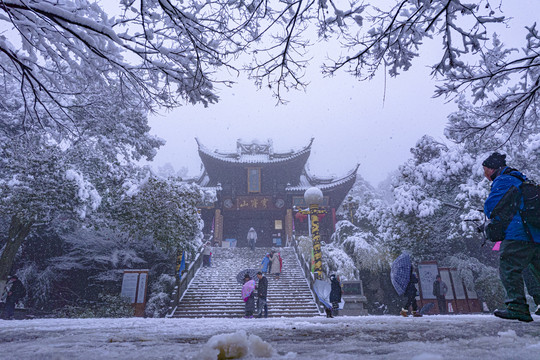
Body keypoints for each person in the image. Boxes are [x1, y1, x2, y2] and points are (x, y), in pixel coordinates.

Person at [482, 152, 540, 322]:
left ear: (492, 168)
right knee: (535, 270)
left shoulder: (504, 180)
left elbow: (491, 207)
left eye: (485, 170)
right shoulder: (522, 180)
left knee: (509, 267)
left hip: (518, 233)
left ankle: (517, 306)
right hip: (536, 235)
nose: (485, 175)